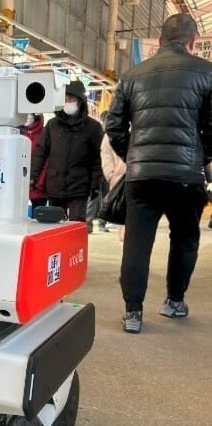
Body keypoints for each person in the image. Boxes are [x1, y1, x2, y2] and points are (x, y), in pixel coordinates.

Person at [106, 14, 211, 334]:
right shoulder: (207, 72)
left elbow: (114, 126)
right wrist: (199, 157)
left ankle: (133, 312)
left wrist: (134, 156)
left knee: (136, 244)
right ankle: (174, 301)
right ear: (193, 41)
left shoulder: (132, 75)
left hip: (142, 176)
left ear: (160, 40)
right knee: (184, 240)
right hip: (186, 176)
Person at [30, 80, 104, 223]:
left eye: (71, 99)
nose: (67, 102)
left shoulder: (93, 127)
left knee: (77, 225)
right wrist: (33, 176)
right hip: (54, 186)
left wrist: (96, 184)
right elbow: (41, 152)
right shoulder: (52, 125)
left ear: (80, 101)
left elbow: (97, 158)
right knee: (55, 226)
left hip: (79, 187)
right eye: (64, 99)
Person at [100, 111, 126, 242]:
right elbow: (105, 154)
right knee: (121, 211)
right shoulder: (110, 133)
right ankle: (124, 240)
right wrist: (110, 174)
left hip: (138, 176)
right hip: (117, 178)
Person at [22, 113, 48, 217]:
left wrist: (39, 183)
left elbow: (45, 161)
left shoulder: (44, 134)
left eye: (29, 114)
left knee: (37, 216)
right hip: (22, 183)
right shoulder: (19, 133)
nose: (26, 117)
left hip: (38, 184)